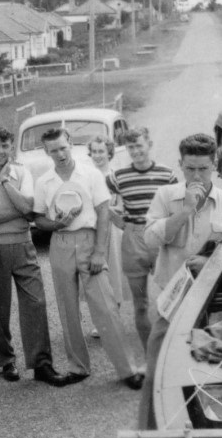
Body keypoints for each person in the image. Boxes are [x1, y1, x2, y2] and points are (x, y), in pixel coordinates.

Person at [110, 133, 222, 438]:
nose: (198, 176)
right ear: (181, 165)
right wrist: (186, 210)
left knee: (216, 379)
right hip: (174, 308)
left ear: (214, 168)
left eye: (204, 169)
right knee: (157, 377)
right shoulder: (165, 196)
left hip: (214, 313)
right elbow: (151, 239)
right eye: (191, 169)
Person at [33, 128, 144, 388]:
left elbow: (104, 213)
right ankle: (78, 367)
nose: (60, 154)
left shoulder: (90, 174)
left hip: (88, 240)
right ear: (46, 152)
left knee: (105, 307)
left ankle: (127, 369)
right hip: (60, 243)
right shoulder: (44, 181)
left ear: (70, 143)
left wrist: (99, 252)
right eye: (53, 150)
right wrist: (54, 224)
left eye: (63, 147)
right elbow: (37, 218)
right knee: (67, 308)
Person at [0, 126, 67, 386]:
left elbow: (29, 207)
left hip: (22, 244)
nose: (0, 151)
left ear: (11, 147)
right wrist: (21, 212)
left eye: (5, 146)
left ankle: (41, 364)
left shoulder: (21, 172)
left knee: (35, 302)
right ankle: (6, 361)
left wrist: (6, 182)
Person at [106, 127, 178, 348]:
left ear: (149, 144)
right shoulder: (118, 177)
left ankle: (171, 351)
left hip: (160, 237)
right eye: (130, 147)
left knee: (172, 298)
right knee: (140, 304)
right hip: (133, 239)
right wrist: (120, 222)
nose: (135, 151)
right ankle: (150, 354)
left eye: (139, 145)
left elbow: (177, 208)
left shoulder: (167, 175)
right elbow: (104, 204)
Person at [87, 135, 123, 307]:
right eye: (94, 151)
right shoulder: (88, 176)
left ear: (109, 153)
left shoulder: (115, 177)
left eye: (101, 151)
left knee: (113, 271)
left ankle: (114, 309)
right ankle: (102, 314)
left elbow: (122, 207)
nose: (97, 155)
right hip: (93, 227)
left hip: (112, 228)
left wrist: (108, 210)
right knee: (95, 272)